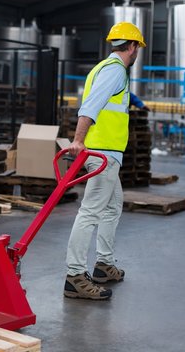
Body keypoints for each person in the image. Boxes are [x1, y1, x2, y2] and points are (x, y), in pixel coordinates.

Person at [63, 22, 146, 300]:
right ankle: (75, 276)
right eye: (137, 48)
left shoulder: (103, 67)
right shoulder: (115, 71)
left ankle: (103, 265)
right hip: (101, 154)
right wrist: (78, 139)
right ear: (132, 46)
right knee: (90, 212)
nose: (136, 53)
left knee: (112, 208)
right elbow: (91, 105)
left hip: (107, 154)